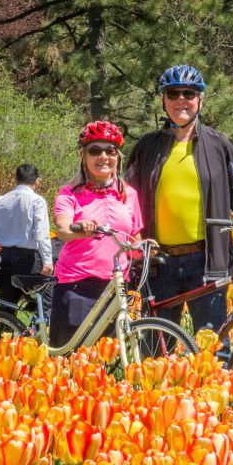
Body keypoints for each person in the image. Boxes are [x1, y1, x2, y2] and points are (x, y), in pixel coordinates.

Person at [125, 64, 233, 343]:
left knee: (213, 348)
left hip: (207, 261)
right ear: (164, 100)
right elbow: (125, 201)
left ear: (200, 99)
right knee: (155, 351)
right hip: (159, 262)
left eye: (189, 93)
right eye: (173, 94)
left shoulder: (217, 143)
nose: (181, 100)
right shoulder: (147, 147)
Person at [52, 121, 143, 347]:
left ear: (118, 157)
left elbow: (135, 239)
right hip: (77, 283)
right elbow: (63, 229)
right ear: (84, 157)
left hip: (116, 286)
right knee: (72, 358)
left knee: (107, 360)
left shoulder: (128, 195)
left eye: (110, 151)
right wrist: (80, 228)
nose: (103, 156)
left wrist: (145, 247)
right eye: (95, 150)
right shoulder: (69, 194)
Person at [0, 164, 53, 313]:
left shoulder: (1, 200)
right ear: (37, 181)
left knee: (6, 303)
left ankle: (4, 334)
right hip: (29, 258)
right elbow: (42, 233)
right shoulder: (37, 201)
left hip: (6, 256)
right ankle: (37, 333)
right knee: (41, 302)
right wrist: (48, 260)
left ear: (16, 180)